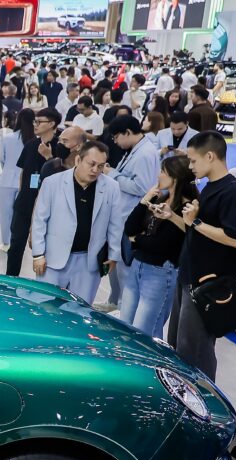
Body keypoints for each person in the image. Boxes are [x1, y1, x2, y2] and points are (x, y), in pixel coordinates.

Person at [166, 132, 236, 379]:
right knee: (178, 346)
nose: (190, 166)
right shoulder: (209, 187)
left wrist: (196, 222)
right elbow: (197, 231)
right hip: (189, 276)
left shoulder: (232, 191)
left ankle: (202, 400)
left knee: (195, 354)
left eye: (193, 160)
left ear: (210, 156)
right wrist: (182, 218)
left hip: (207, 285)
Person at [31, 141, 122, 304]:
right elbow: (40, 220)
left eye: (100, 166)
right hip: (53, 258)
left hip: (88, 261)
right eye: (91, 164)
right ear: (78, 160)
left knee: (80, 309)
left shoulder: (111, 187)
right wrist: (38, 254)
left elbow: (115, 224)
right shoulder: (53, 182)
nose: (95, 170)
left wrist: (113, 255)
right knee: (44, 305)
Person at [119, 155, 196, 338]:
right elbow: (129, 228)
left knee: (145, 331)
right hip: (138, 266)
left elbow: (161, 245)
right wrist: (144, 200)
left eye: (162, 171)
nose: (158, 175)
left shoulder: (186, 208)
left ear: (175, 177)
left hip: (160, 272)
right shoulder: (160, 198)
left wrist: (137, 239)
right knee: (124, 325)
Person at [97, 115, 160, 313]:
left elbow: (143, 187)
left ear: (128, 132)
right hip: (122, 214)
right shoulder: (135, 150)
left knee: (125, 268)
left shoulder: (145, 153)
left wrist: (113, 175)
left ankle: (124, 309)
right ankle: (115, 301)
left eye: (116, 137)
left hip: (131, 216)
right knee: (115, 262)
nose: (115, 142)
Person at [7, 108, 61, 275]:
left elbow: (62, 178)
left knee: (47, 251)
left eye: (39, 122)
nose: (35, 125)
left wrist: (49, 158)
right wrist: (22, 194)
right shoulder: (31, 144)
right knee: (15, 246)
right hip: (24, 204)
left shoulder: (60, 147)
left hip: (48, 208)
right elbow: (23, 172)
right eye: (34, 122)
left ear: (51, 124)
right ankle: (10, 280)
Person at [0, 108, 34, 251]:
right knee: (22, 214)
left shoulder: (7, 138)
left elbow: (2, 159)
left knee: (5, 214)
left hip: (6, 179)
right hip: (26, 181)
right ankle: (17, 241)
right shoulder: (34, 140)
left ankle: (5, 242)